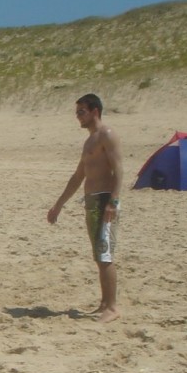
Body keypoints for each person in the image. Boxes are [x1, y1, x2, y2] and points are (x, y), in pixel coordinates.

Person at [47, 93, 124, 322]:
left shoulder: (106, 135)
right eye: (77, 112)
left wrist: (113, 201)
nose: (78, 116)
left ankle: (113, 307)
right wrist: (58, 205)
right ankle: (104, 303)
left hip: (104, 199)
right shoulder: (90, 141)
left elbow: (119, 169)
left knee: (105, 252)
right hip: (91, 200)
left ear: (94, 111)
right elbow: (78, 176)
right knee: (99, 254)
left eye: (82, 112)